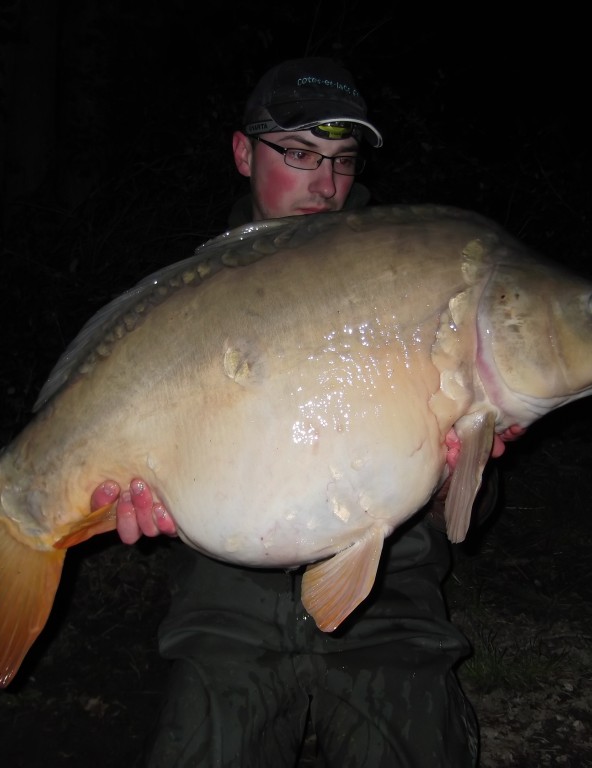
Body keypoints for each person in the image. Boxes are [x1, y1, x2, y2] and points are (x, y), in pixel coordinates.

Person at [92, 57, 486, 767]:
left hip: (389, 603)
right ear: (243, 153)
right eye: (299, 155)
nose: (326, 184)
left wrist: (454, 473)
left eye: (341, 159)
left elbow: (474, 519)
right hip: (228, 608)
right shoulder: (187, 303)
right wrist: (138, 499)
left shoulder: (420, 278)